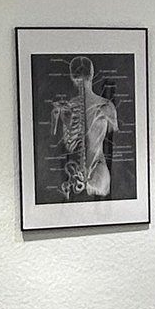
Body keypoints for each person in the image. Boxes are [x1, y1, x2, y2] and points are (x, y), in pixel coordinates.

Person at [49, 55, 118, 200]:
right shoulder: (106, 106)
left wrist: (59, 121)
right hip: (87, 176)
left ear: (72, 77)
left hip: (79, 178)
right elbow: (115, 137)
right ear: (92, 74)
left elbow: (67, 145)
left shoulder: (68, 108)